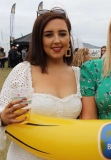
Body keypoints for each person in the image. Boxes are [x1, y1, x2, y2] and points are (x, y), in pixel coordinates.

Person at [0, 7, 82, 159]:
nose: (56, 40)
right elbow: (2, 110)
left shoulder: (78, 75)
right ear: (39, 39)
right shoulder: (23, 72)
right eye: (48, 35)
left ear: (68, 38)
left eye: (62, 34)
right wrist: (3, 119)